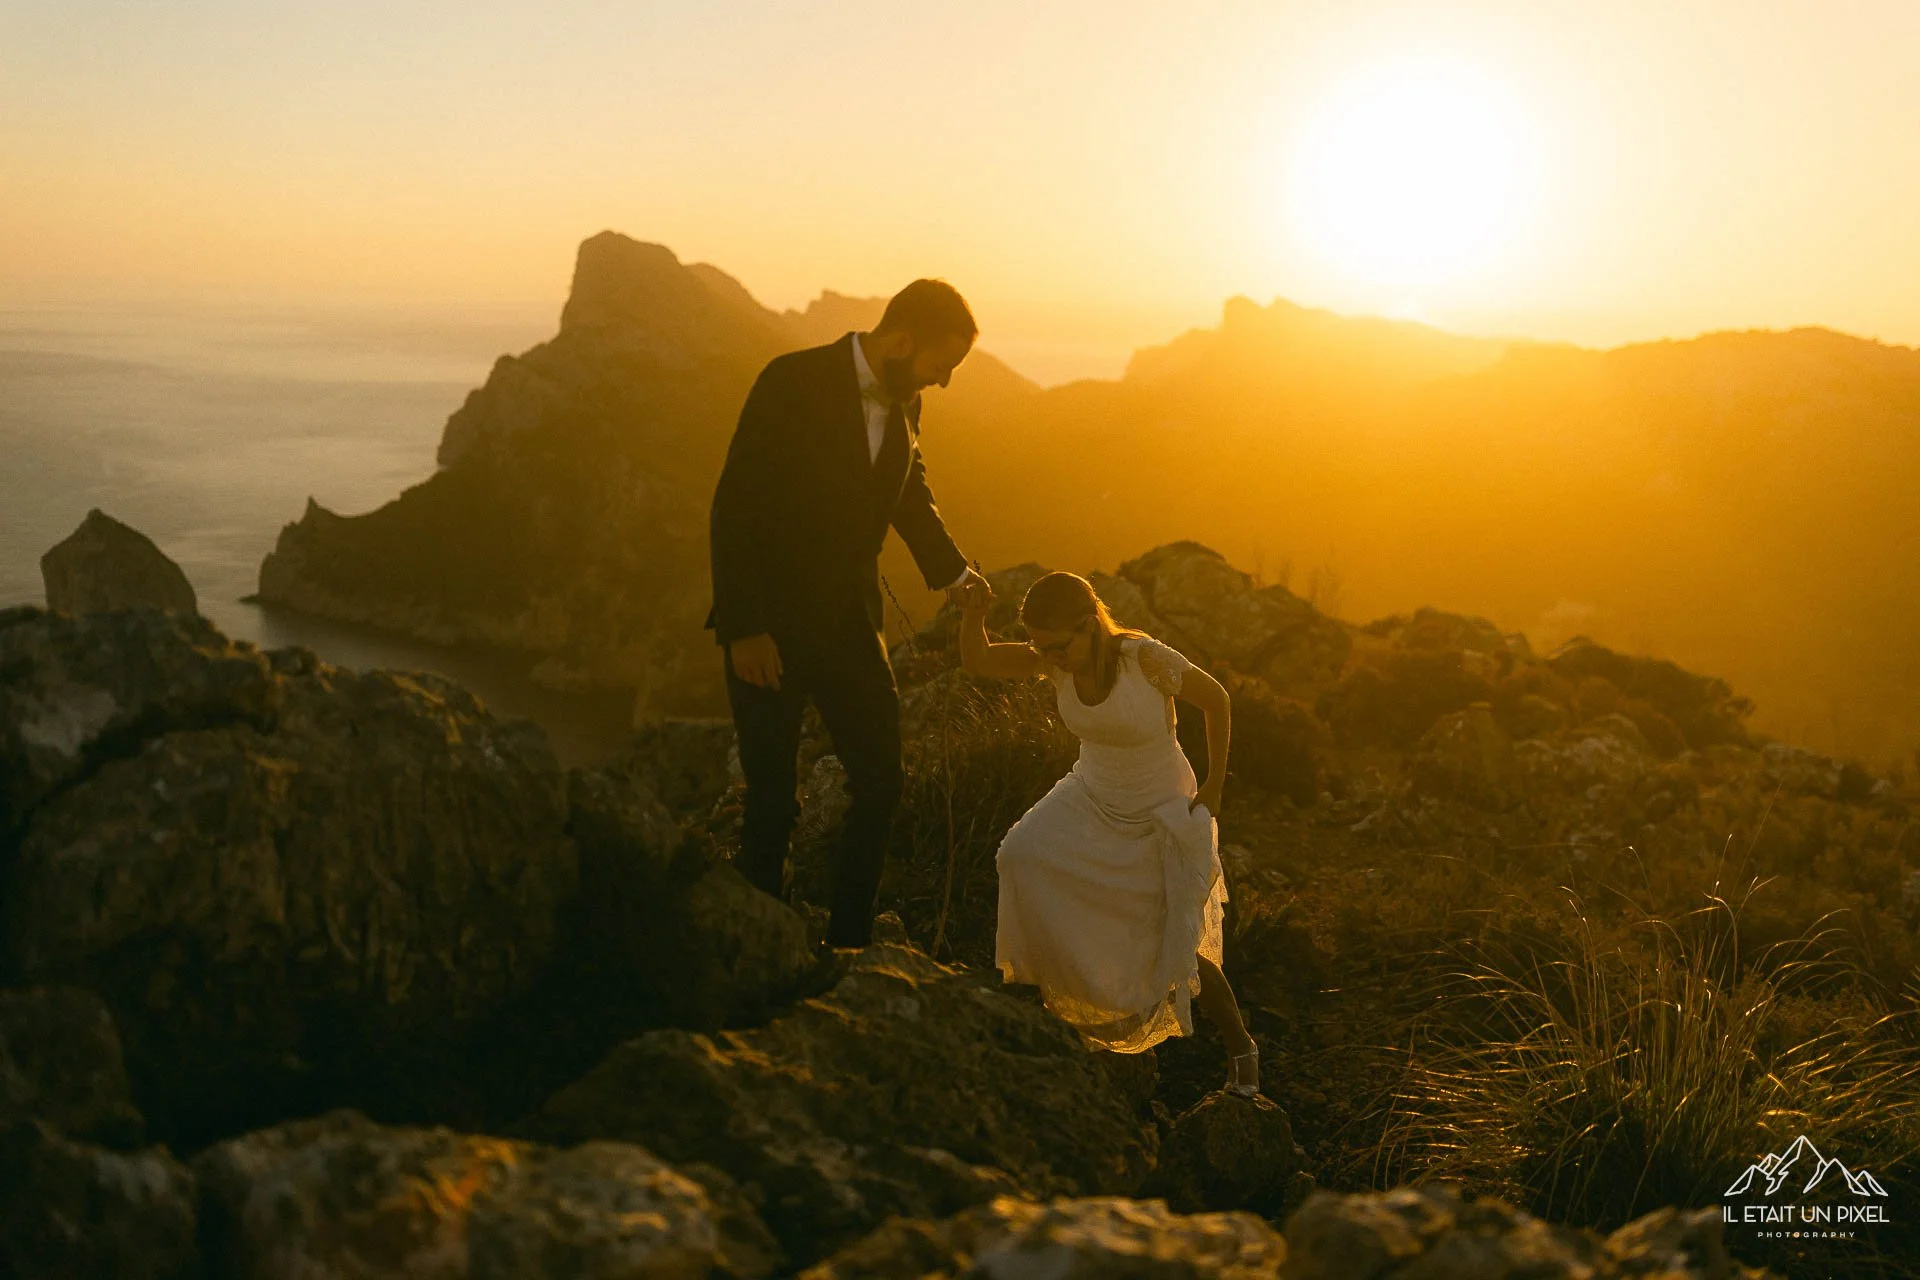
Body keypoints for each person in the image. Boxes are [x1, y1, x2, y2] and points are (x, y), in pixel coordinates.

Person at [707, 279, 992, 951]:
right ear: (899, 341)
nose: (944, 382)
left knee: (882, 781)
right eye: (940, 365)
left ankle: (848, 944)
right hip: (768, 627)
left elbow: (907, 492)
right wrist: (744, 627)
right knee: (772, 797)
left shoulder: (906, 400)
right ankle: (760, 944)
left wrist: (951, 572)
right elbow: (735, 503)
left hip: (848, 624)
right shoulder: (791, 381)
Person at [957, 570, 1260, 1095]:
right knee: (1020, 856)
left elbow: (1217, 701)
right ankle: (1069, 1006)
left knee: (1183, 942)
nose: (1047, 657)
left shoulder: (1144, 660)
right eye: (1039, 646)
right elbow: (979, 660)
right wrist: (972, 614)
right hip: (1091, 794)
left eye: (1056, 646)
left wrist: (1213, 785)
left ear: (1088, 626)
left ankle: (1241, 1049)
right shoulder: (1053, 662)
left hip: (1160, 805)